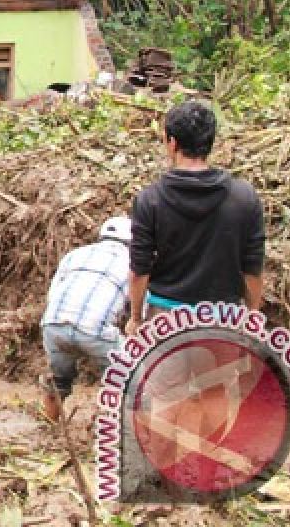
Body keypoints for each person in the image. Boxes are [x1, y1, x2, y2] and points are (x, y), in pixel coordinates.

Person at [127, 99, 265, 334]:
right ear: (210, 143)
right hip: (223, 321)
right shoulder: (244, 197)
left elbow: (140, 269)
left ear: (172, 143)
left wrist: (136, 318)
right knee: (219, 373)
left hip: (165, 322)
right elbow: (253, 267)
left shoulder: (150, 200)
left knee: (165, 372)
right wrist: (252, 315)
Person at [40, 216, 132, 422]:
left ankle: (49, 425)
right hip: (94, 331)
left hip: (53, 325)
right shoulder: (133, 264)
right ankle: (119, 438)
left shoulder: (75, 255)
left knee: (58, 381)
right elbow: (136, 309)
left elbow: (52, 294)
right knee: (131, 381)